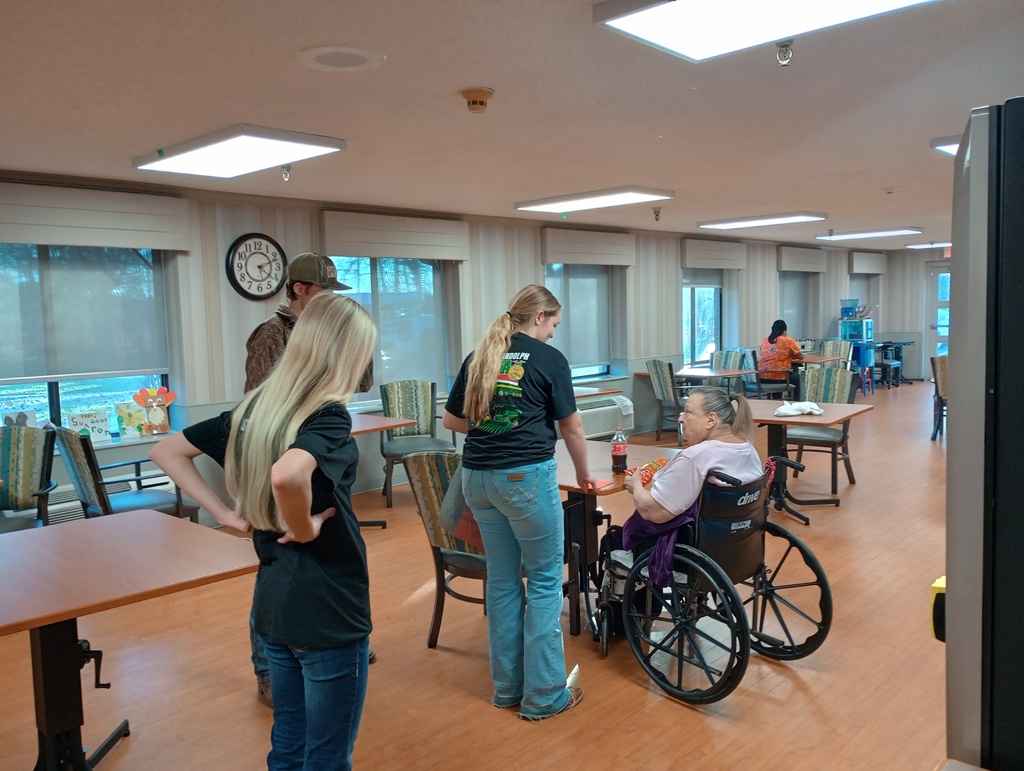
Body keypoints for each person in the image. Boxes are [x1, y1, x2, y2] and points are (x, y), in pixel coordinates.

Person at [150, 293, 376, 770]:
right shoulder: (328, 414)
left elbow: (167, 451)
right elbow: (287, 475)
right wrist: (306, 528)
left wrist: (228, 515)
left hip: (273, 604)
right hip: (329, 606)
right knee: (328, 756)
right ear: (348, 353)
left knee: (289, 743)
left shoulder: (255, 410)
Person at [443, 284, 596, 721]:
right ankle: (545, 696)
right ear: (540, 316)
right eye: (554, 325)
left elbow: (453, 419)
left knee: (504, 581)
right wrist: (584, 475)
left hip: (477, 480)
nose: (553, 334)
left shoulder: (481, 355)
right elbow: (572, 428)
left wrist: (492, 424)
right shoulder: (548, 360)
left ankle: (507, 688)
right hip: (524, 480)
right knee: (547, 581)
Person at [243, 251, 373, 706]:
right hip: (282, 460)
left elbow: (361, 383)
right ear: (298, 289)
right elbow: (262, 405)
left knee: (324, 555)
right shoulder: (271, 335)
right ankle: (269, 668)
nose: (329, 301)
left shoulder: (328, 330)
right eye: (322, 291)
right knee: (278, 566)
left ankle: (332, 640)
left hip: (317, 454)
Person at [622, 387, 763, 587]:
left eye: (688, 412)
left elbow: (654, 511)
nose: (681, 419)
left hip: (693, 552)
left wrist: (636, 485)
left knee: (615, 542)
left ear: (711, 420)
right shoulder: (748, 449)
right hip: (737, 549)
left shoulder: (696, 456)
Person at [758, 319, 804, 401]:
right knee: (798, 379)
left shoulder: (765, 341)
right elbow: (801, 356)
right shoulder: (788, 340)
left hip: (762, 377)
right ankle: (797, 403)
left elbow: (763, 354)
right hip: (780, 377)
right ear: (784, 331)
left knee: (776, 372)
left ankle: (776, 401)